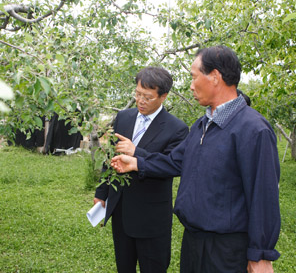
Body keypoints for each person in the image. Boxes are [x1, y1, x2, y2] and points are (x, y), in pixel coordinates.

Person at [111, 45, 281, 273]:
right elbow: (175, 161)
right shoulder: (203, 125)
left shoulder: (252, 129)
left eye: (194, 77)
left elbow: (263, 194)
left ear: (214, 77)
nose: (190, 86)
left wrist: (260, 255)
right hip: (194, 241)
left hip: (226, 248)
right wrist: (137, 162)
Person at [94, 67, 189, 273]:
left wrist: (136, 152)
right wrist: (101, 193)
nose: (141, 101)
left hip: (151, 217)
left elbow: (173, 165)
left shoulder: (177, 129)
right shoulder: (124, 117)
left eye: (148, 97)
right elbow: (109, 156)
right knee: (124, 267)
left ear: (163, 96)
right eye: (137, 94)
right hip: (121, 210)